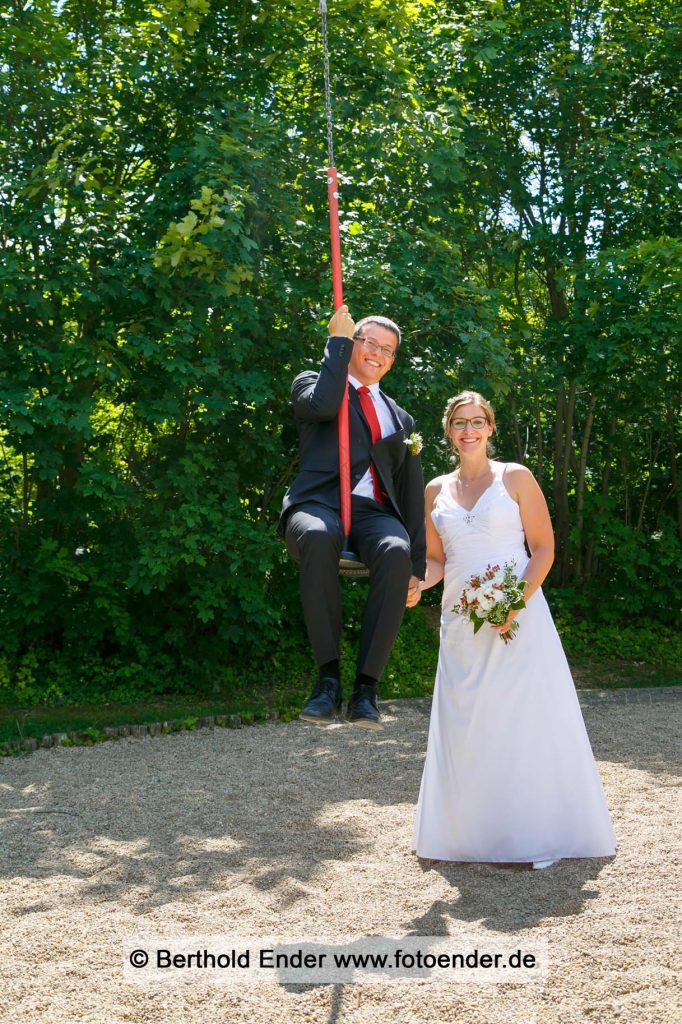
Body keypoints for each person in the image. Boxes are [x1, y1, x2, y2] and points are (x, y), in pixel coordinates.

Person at [411, 390, 616, 867]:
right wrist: (418, 582)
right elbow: (439, 558)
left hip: (519, 618)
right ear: (448, 430)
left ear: (491, 428)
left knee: (521, 718)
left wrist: (512, 603)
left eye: (477, 421)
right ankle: (469, 837)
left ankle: (528, 832)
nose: (468, 430)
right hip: (461, 621)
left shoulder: (516, 478)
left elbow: (543, 549)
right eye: (460, 422)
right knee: (468, 722)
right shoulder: (434, 490)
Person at [279, 305, 426, 729]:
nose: (377, 353)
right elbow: (324, 407)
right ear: (352, 343)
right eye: (368, 343)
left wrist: (418, 565)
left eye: (388, 349)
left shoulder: (400, 418)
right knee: (321, 536)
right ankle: (327, 681)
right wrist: (336, 344)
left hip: (371, 512)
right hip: (319, 503)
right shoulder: (315, 383)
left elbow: (412, 495)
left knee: (395, 551)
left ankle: (366, 688)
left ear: (393, 360)